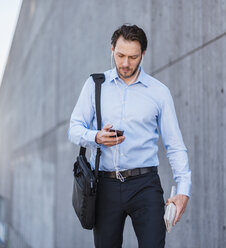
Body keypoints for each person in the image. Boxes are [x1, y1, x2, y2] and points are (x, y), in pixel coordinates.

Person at [68, 24, 191, 248]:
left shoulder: (159, 92)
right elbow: (74, 128)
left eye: (133, 57)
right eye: (120, 55)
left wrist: (183, 190)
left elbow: (174, 145)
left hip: (145, 185)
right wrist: (96, 137)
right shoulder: (95, 85)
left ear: (143, 54)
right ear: (112, 49)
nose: (125, 63)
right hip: (105, 185)